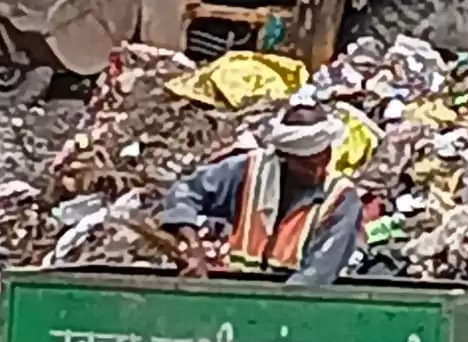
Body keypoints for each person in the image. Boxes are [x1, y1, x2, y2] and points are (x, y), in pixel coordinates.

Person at [157, 103, 372, 285]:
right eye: (305, 164)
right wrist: (194, 249)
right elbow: (184, 192)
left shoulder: (341, 199)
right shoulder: (248, 172)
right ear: (284, 157)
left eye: (323, 159)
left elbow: (316, 276)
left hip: (294, 310)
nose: (316, 171)